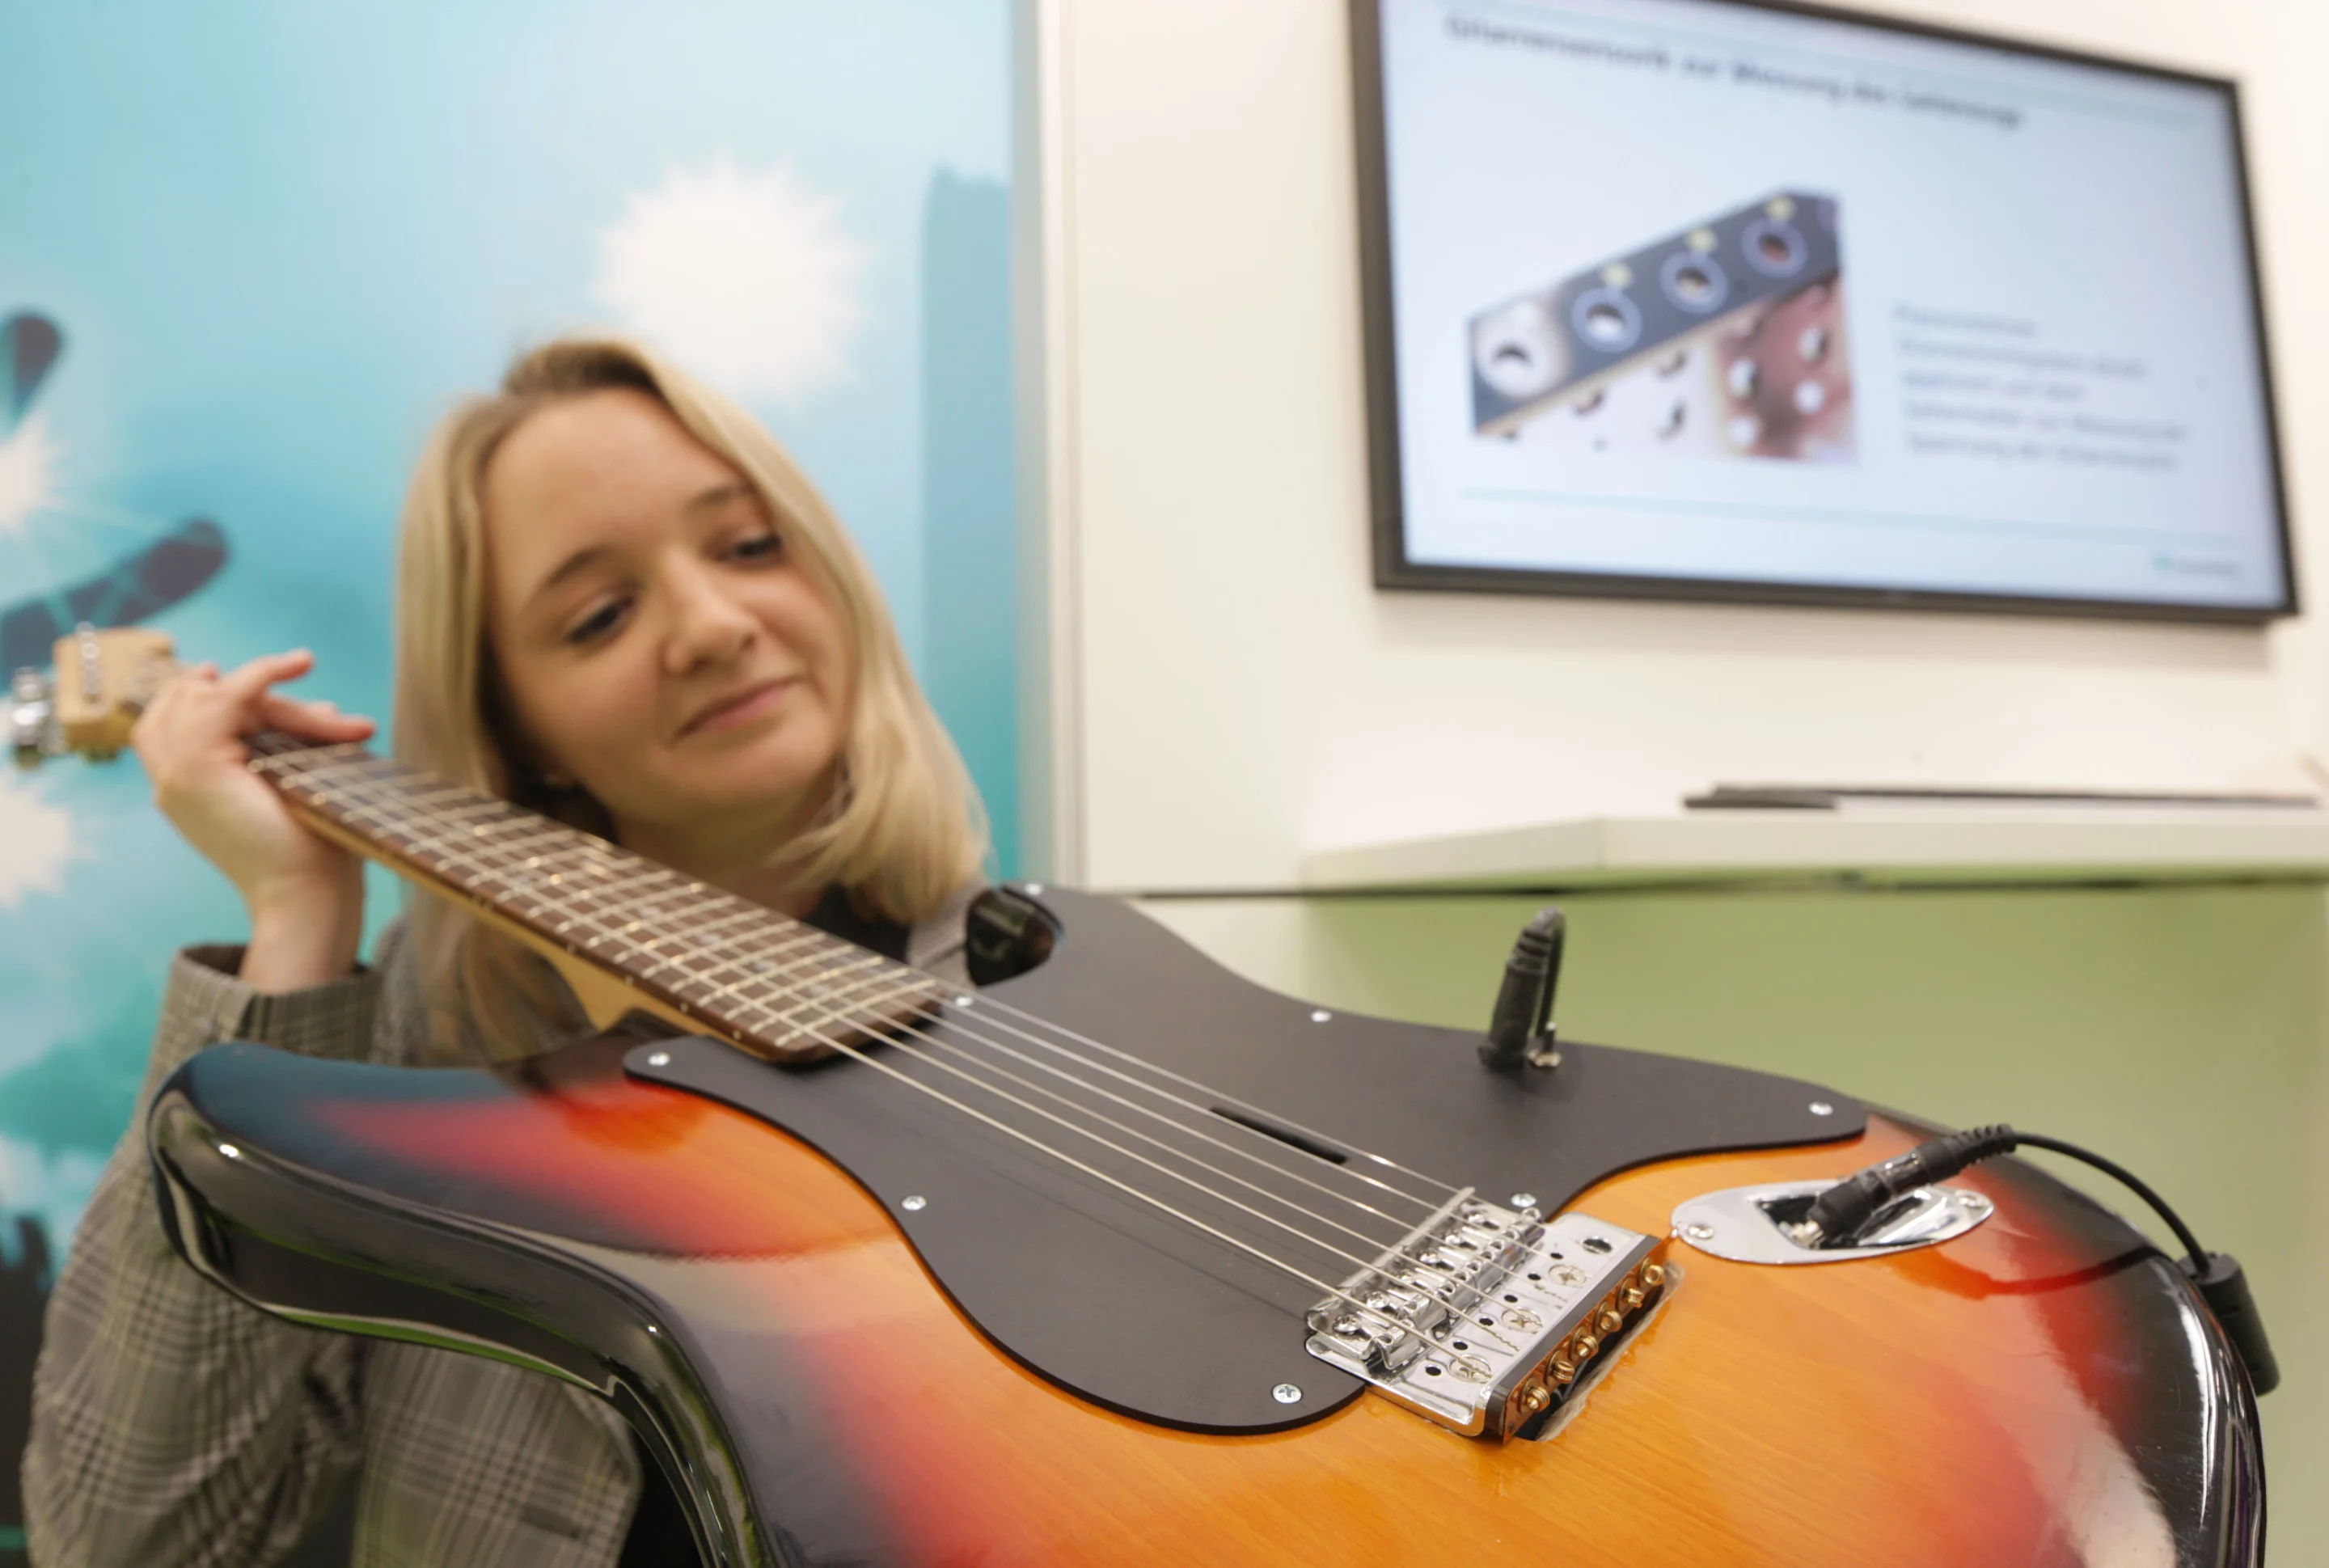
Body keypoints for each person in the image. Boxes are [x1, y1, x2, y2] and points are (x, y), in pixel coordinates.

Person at [23, 338, 988, 1567]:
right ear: (519, 729)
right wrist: (296, 917)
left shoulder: (1062, 989)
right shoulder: (419, 1078)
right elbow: (126, 1540)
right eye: (598, 615)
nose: (709, 624)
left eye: (748, 545)